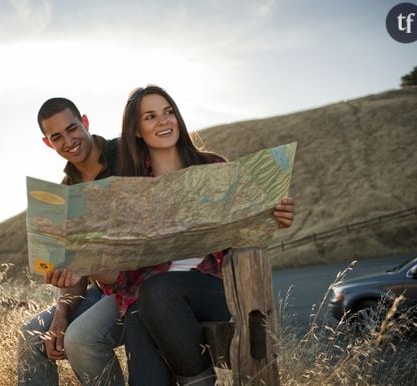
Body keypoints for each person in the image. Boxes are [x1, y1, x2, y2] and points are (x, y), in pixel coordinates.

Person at [63, 85, 295, 386]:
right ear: (136, 129)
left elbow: (245, 237)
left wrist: (274, 217)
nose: (163, 121)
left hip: (214, 291)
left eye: (169, 112)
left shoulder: (212, 168)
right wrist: (86, 264)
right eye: (151, 116)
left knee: (157, 291)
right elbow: (119, 279)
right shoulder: (131, 191)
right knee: (139, 313)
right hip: (150, 301)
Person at [17, 97, 125, 386]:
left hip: (138, 284)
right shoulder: (66, 192)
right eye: (57, 137)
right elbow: (73, 267)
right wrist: (62, 314)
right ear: (47, 143)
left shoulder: (125, 155)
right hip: (104, 292)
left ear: (85, 123)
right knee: (31, 335)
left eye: (72, 128)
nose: (68, 140)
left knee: (80, 340)